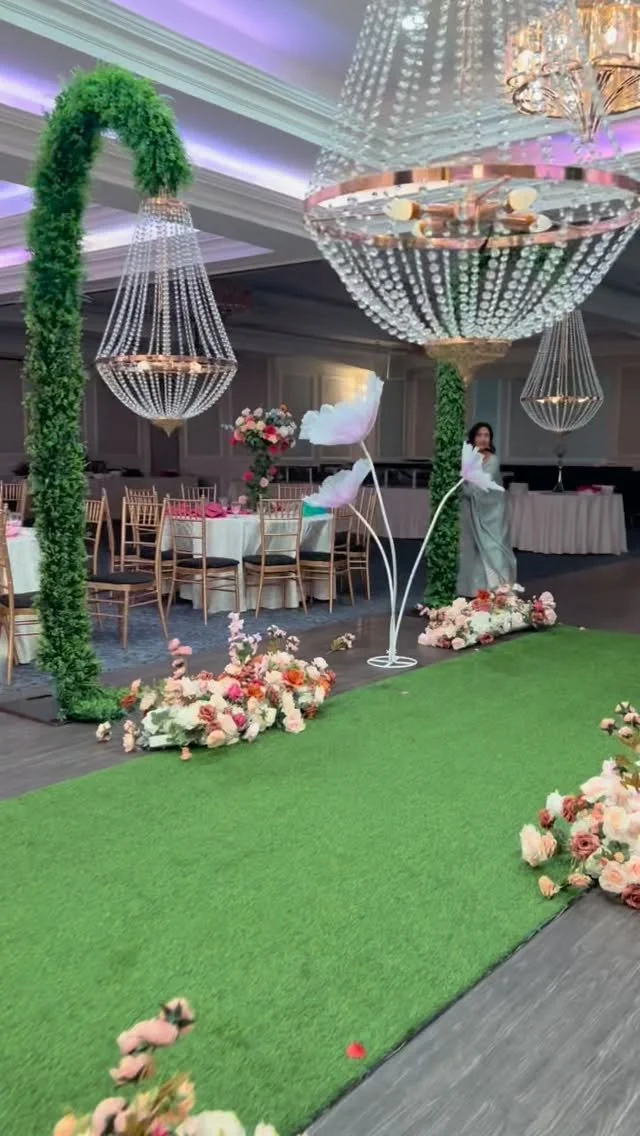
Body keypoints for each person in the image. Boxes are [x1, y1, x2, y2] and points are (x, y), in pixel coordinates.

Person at [457, 421, 517, 596]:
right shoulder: (468, 459)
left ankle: (498, 588)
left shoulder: (493, 460)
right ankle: (475, 589)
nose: (483, 439)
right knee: (471, 548)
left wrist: (462, 487)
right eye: (479, 435)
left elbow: (477, 486)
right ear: (473, 438)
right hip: (472, 510)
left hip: (493, 512)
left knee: (494, 547)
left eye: (486, 435)